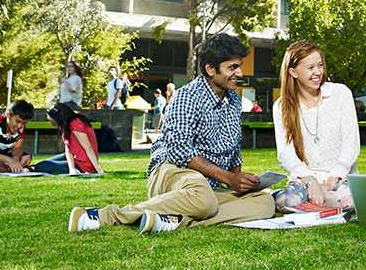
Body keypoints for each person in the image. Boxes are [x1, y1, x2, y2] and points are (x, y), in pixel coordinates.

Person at [69, 33, 275, 234]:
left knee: (265, 202)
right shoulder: (187, 97)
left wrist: (241, 183)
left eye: (239, 66)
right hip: (172, 172)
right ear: (210, 69)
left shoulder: (234, 101)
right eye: (233, 67)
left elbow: (233, 152)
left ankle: (174, 221)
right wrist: (229, 178)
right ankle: (106, 216)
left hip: (209, 188)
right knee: (204, 199)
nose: (239, 73)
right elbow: (181, 153)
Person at [272, 40, 360, 211]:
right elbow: (285, 153)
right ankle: (278, 195)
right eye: (310, 68)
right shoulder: (281, 106)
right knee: (289, 202)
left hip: (339, 178)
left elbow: (351, 145)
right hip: (305, 179)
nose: (318, 72)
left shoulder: (341, 93)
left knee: (349, 202)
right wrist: (311, 182)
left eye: (320, 65)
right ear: (293, 72)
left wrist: (330, 182)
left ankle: (316, 202)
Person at [30, 103, 103, 175]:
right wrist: (71, 168)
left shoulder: (75, 123)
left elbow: (89, 148)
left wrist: (98, 170)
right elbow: (68, 149)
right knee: (46, 162)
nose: (53, 125)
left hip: (83, 164)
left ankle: (30, 168)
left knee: (42, 166)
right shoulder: (67, 124)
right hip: (75, 157)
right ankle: (29, 168)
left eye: (53, 122)